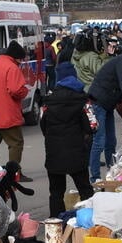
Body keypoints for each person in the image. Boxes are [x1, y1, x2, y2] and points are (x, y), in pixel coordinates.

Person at [42, 62, 95, 217]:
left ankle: (56, 224)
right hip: (77, 151)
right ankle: (89, 221)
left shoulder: (48, 101)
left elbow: (43, 126)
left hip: (54, 152)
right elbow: (93, 125)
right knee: (85, 189)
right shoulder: (83, 99)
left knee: (56, 192)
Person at [86, 34, 122, 180]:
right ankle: (94, 178)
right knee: (99, 140)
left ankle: (112, 174)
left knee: (111, 140)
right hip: (98, 102)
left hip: (107, 103)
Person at [0, 40, 30, 174]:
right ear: (16, 57)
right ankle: (14, 173)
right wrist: (25, 91)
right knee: (16, 143)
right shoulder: (12, 67)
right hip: (7, 113)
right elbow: (16, 90)